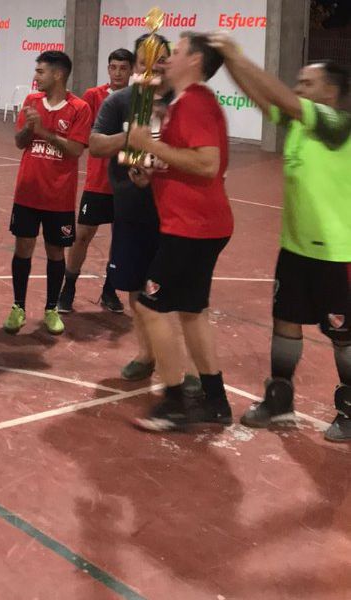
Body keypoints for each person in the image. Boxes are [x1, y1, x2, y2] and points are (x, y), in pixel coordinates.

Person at [210, 33, 351, 442]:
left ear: (331, 91)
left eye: (307, 83)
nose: (298, 89)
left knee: (342, 332)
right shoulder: (301, 123)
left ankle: (349, 408)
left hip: (336, 252)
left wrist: (238, 52)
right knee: (286, 321)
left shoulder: (338, 124)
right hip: (295, 247)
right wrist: (230, 62)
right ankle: (279, 398)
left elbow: (284, 101)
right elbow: (265, 99)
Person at [126, 32, 233, 431]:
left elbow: (207, 164)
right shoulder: (184, 104)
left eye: (178, 52)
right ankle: (215, 400)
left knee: (150, 307)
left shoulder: (194, 103)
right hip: (199, 225)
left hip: (192, 227)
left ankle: (172, 403)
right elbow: (186, 161)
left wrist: (147, 146)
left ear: (195, 62)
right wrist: (152, 172)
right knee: (191, 312)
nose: (167, 60)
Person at [3, 50, 92, 336]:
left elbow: (76, 150)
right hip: (27, 193)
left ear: (58, 74)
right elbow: (19, 142)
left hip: (59, 197)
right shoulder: (31, 102)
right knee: (23, 249)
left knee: (56, 251)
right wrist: (29, 129)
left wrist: (44, 131)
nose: (35, 76)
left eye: (41, 71)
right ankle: (18, 307)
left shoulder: (80, 108)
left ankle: (51, 309)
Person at [58, 48, 134, 314]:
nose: (117, 73)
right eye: (113, 67)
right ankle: (68, 288)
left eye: (123, 68)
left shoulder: (140, 100)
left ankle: (110, 290)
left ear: (132, 70)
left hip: (127, 183)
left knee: (121, 239)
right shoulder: (94, 96)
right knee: (82, 235)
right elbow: (86, 136)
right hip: (98, 181)